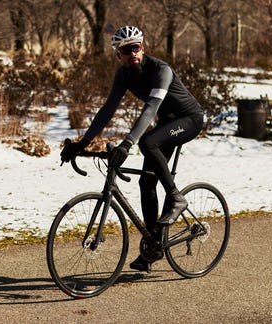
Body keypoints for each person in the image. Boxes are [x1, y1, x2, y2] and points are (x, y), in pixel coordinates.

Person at [60, 26, 204, 272]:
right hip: (167, 123)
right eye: (126, 50)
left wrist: (128, 143)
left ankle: (177, 198)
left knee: (148, 143)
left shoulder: (161, 70)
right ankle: (153, 246)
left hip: (189, 119)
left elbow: (150, 109)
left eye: (136, 47)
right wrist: (82, 143)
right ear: (119, 55)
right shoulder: (124, 74)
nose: (132, 53)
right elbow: (107, 110)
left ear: (143, 48)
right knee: (146, 183)